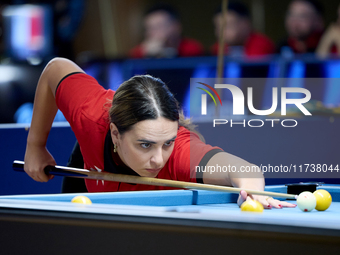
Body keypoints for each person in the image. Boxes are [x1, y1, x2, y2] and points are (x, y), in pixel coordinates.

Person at [24, 57, 296, 209]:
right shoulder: (90, 113)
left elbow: (245, 170)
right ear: (116, 134)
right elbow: (55, 69)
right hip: (89, 174)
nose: (158, 159)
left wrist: (253, 192)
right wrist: (35, 145)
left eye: (167, 142)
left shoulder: (179, 153)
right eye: (145, 145)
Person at [129, 4, 204, 58]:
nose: (153, 33)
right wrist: (148, 57)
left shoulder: (191, 48)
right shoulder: (139, 53)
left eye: (159, 26)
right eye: (149, 28)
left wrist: (168, 54)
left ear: (177, 27)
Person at [211, 2, 275, 57]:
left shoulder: (260, 44)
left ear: (245, 23)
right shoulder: (218, 48)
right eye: (218, 27)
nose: (222, 32)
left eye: (228, 26)